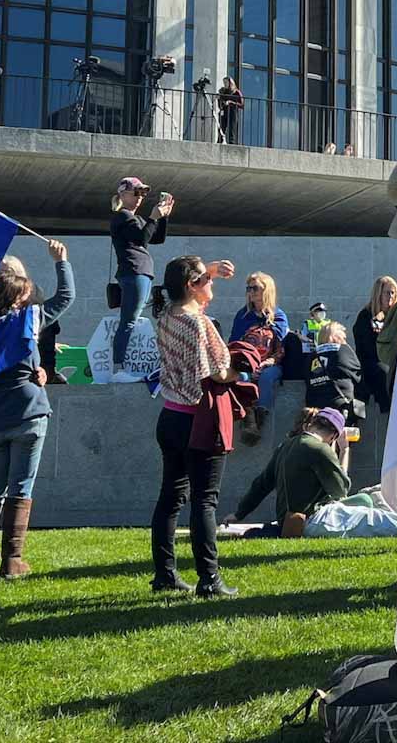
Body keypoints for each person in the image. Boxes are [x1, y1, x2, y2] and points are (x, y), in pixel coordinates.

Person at [0, 240, 73, 580]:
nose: (29, 298)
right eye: (24, 293)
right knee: (21, 488)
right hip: (27, 412)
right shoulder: (26, 322)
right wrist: (61, 262)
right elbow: (65, 298)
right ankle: (12, 561)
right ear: (15, 297)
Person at [150, 253, 246, 596]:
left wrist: (210, 273)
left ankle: (165, 574)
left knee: (170, 498)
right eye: (206, 279)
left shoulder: (164, 315)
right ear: (191, 285)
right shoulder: (198, 323)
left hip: (171, 415)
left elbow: (183, 288)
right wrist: (246, 369)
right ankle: (209, 579)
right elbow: (218, 371)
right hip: (199, 418)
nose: (212, 283)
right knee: (205, 501)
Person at [227, 407, 351, 537]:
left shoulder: (284, 446)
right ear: (333, 436)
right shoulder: (320, 449)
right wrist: (344, 450)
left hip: (286, 521)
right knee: (365, 502)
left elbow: (262, 484)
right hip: (311, 520)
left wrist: (239, 513)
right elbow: (341, 491)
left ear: (309, 425)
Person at [108, 177, 170, 384]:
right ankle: (118, 368)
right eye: (136, 193)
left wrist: (162, 217)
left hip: (139, 273)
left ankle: (120, 367)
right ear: (123, 194)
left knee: (130, 320)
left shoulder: (133, 218)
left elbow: (156, 238)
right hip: (134, 272)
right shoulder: (122, 217)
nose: (139, 198)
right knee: (128, 321)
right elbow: (141, 238)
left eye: (142, 194)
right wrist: (153, 217)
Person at [231, 271, 291, 443]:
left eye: (255, 288)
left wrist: (268, 362)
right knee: (241, 378)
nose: (251, 291)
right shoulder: (242, 316)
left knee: (266, 377)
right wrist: (245, 365)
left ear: (267, 290)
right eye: (248, 288)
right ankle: (248, 418)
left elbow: (282, 347)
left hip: (271, 363)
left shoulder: (278, 316)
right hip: (245, 363)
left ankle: (259, 418)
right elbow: (234, 344)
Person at [352, 276, 397, 415]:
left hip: (394, 360)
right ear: (378, 294)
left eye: (393, 292)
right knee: (383, 373)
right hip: (372, 363)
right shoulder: (366, 316)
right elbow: (366, 348)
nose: (390, 296)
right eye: (387, 292)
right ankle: (388, 411)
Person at [216, 76, 244, 144]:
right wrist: (219, 98)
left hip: (232, 111)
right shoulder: (223, 91)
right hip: (224, 111)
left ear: (230, 83)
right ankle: (220, 140)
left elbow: (242, 104)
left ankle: (232, 142)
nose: (225, 84)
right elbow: (220, 104)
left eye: (226, 82)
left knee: (232, 127)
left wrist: (231, 102)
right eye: (224, 82)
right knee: (221, 126)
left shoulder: (236, 92)